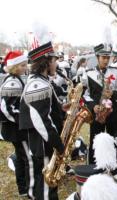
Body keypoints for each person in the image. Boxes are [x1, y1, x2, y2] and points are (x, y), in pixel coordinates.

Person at [19, 42, 65, 200]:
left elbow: (47, 109)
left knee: (45, 183)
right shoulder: (38, 84)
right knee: (47, 185)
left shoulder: (40, 80)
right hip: (43, 143)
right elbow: (41, 121)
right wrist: (58, 144)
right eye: (54, 59)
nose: (56, 63)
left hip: (42, 141)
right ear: (46, 62)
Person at [82, 43, 117, 164]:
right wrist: (93, 106)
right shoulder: (88, 73)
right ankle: (93, 167)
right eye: (103, 57)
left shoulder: (116, 72)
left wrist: (113, 94)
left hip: (113, 113)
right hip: (96, 113)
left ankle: (114, 167)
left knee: (114, 141)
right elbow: (85, 95)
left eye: (108, 57)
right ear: (97, 57)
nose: (106, 60)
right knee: (95, 141)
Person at [0, 51, 29, 197]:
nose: (25, 67)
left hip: (16, 128)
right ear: (15, 66)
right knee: (25, 158)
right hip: (16, 129)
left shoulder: (15, 79)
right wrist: (22, 120)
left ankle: (23, 188)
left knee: (21, 157)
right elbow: (6, 108)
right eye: (23, 65)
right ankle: (26, 188)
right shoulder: (12, 81)